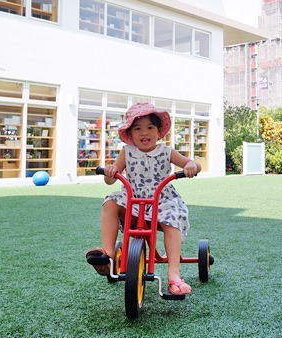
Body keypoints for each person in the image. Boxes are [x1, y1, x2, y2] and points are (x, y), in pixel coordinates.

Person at [85, 102, 201, 295]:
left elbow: (193, 164)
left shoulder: (166, 151)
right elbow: (109, 181)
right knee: (110, 203)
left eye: (149, 127)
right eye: (137, 128)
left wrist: (191, 166)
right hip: (133, 200)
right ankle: (109, 255)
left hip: (162, 200)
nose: (143, 133)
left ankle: (174, 274)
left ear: (158, 132)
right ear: (130, 134)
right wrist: (111, 171)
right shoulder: (127, 152)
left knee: (172, 217)